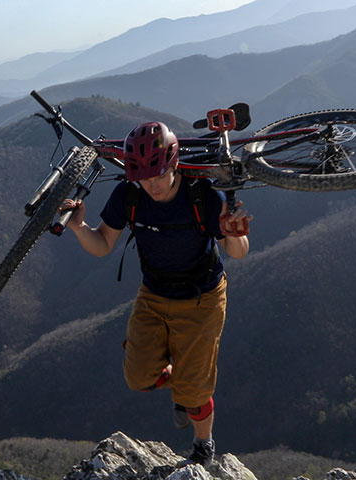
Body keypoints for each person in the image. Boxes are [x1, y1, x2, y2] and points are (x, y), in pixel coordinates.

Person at [60, 121, 252, 468]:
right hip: (153, 294)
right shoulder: (130, 194)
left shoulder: (203, 194)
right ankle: (182, 378)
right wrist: (78, 228)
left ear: (174, 163)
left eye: (158, 175)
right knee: (138, 378)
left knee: (194, 392)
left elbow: (237, 253)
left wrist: (233, 233)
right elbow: (103, 244)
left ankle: (203, 443)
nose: (152, 185)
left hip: (202, 297)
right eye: (144, 178)